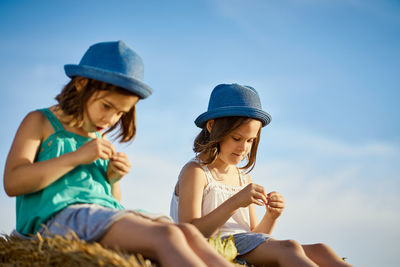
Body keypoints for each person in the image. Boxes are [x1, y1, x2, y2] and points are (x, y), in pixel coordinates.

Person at [3, 41, 232, 267]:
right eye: (106, 106)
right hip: (55, 220)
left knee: (185, 233)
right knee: (167, 238)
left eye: (120, 113)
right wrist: (76, 157)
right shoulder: (41, 121)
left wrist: (112, 178)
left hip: (97, 215)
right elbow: (13, 182)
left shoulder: (97, 139)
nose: (111, 119)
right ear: (82, 84)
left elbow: (110, 201)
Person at [170, 83, 352, 266]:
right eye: (236, 138)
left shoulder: (243, 179)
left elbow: (255, 236)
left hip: (242, 245)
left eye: (250, 140)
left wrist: (271, 216)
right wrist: (235, 202)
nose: (243, 148)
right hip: (215, 247)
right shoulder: (196, 172)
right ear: (211, 126)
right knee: (289, 248)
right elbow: (189, 232)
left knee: (321, 250)